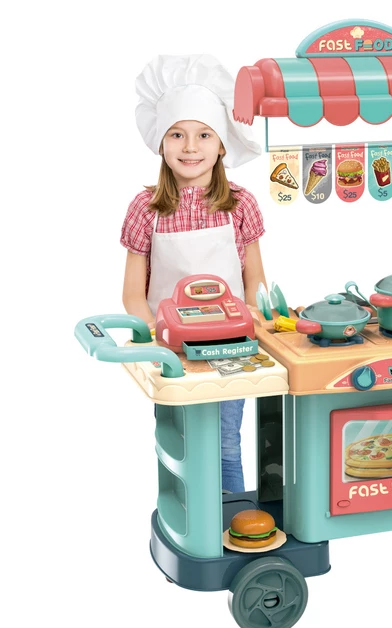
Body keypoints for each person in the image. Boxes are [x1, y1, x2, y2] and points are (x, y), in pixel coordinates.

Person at [120, 54, 267, 493]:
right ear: (160, 143)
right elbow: (133, 293)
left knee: (225, 443)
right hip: (172, 353)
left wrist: (260, 319)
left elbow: (256, 280)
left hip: (231, 350)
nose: (190, 147)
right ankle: (186, 519)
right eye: (177, 134)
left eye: (204, 134)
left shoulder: (241, 204)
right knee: (179, 445)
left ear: (222, 144)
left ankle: (232, 521)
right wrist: (153, 341)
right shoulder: (145, 209)